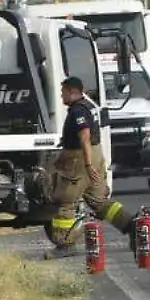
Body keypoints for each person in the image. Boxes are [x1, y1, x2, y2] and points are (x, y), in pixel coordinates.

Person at [48, 77, 137, 248]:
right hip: (95, 154)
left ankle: (64, 244)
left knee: (66, 199)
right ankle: (130, 225)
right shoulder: (89, 105)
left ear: (71, 91)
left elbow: (84, 136)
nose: (61, 97)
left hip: (80, 159)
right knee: (99, 201)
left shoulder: (78, 111)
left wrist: (87, 165)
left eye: (63, 93)